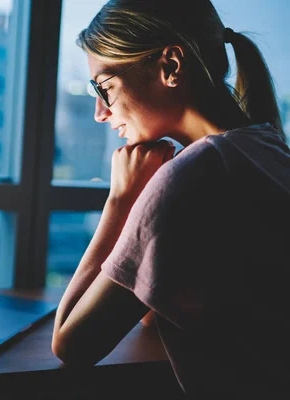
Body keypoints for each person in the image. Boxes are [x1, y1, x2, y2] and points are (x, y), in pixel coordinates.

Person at [51, 0, 290, 398]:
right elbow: (152, 312)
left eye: (105, 88)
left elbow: (70, 344)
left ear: (171, 67)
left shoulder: (190, 179)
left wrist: (122, 201)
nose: (100, 112)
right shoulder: (267, 149)